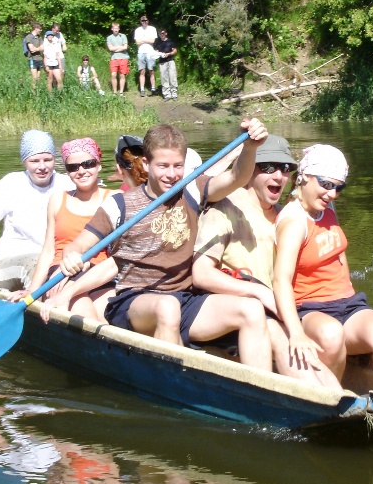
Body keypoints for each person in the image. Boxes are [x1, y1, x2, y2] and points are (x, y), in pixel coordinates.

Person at [59, 121, 274, 372]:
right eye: (162, 166)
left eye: (177, 166)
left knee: (251, 309)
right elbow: (78, 245)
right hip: (134, 302)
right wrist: (72, 257)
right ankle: (173, 382)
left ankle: (260, 392)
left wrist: (249, 148)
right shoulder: (119, 205)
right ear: (146, 164)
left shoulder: (192, 190)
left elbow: (237, 177)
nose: (171, 174)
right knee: (166, 307)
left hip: (185, 299)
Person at [193, 135, 341, 388]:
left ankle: (340, 397)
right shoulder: (225, 208)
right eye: (269, 167)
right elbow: (201, 274)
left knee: (327, 335)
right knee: (280, 336)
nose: (279, 176)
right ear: (249, 169)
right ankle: (319, 400)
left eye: (286, 169)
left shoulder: (287, 215)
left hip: (278, 309)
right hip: (237, 311)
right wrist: (258, 291)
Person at [273, 144, 373, 392]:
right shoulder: (294, 222)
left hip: (346, 304)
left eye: (338, 187)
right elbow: (280, 280)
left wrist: (349, 291)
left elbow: (339, 256)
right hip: (309, 308)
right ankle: (333, 396)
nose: (331, 193)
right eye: (326, 184)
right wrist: (296, 333)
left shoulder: (326, 208)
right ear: (304, 177)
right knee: (332, 334)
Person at [8, 138, 119, 323]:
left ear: (99, 165)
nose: (81, 171)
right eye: (73, 167)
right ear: (67, 172)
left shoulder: (116, 198)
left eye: (88, 164)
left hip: (99, 274)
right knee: (87, 317)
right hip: (61, 273)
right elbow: (48, 250)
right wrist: (34, 290)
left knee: (107, 321)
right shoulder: (58, 199)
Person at [0, 130, 75, 297]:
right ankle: (42, 310)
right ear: (25, 161)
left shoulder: (67, 184)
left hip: (52, 259)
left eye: (47, 160)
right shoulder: (11, 183)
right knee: (35, 263)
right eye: (34, 161)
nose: (42, 167)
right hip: (8, 263)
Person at [134, 15, 158, 97]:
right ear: (140, 21)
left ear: (148, 20)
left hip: (150, 52)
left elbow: (153, 40)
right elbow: (137, 42)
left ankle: (153, 89)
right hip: (141, 52)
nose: (144, 22)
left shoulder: (152, 29)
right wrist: (147, 40)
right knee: (142, 71)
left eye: (145, 20)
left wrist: (142, 40)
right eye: (142, 21)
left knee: (151, 71)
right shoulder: (137, 30)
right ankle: (142, 89)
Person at [154, 28, 177, 101]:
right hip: (162, 62)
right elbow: (156, 51)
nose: (162, 35)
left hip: (170, 60)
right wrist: (158, 54)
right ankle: (167, 94)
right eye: (160, 33)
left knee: (172, 77)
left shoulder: (170, 41)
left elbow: (175, 50)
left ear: (166, 33)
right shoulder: (158, 42)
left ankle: (174, 94)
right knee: (164, 78)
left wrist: (169, 54)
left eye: (163, 33)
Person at [106, 22, 129, 95]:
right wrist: (120, 47)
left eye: (117, 28)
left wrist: (115, 49)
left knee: (122, 74)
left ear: (119, 29)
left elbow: (125, 47)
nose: (116, 29)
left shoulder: (123, 36)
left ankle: (121, 92)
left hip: (123, 57)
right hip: (114, 58)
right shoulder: (109, 38)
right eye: (114, 28)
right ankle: (115, 92)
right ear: (112, 29)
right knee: (113, 74)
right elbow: (110, 48)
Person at [24, 23, 44, 88]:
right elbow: (32, 49)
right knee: (34, 77)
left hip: (40, 59)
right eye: (40, 29)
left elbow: (43, 48)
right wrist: (39, 49)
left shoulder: (39, 37)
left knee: (38, 78)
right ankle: (33, 90)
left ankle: (37, 91)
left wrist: (36, 49)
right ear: (36, 28)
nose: (41, 30)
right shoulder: (29, 37)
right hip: (32, 59)